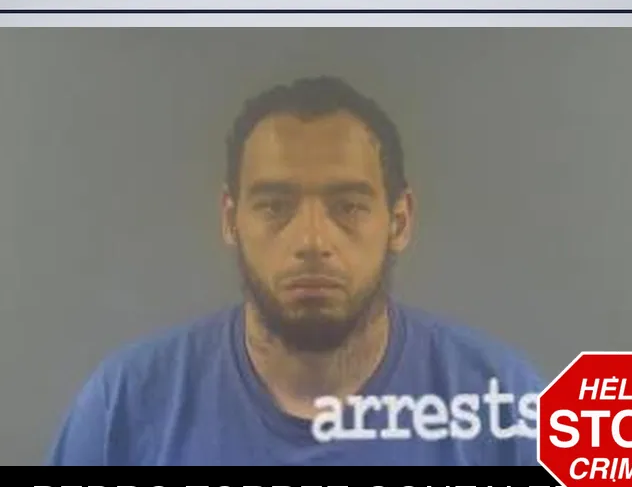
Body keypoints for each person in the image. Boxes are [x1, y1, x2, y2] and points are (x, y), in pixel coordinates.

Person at [47, 76, 546, 466]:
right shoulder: (124, 407)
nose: (311, 241)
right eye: (274, 206)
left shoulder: (511, 406)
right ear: (231, 220)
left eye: (348, 206)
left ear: (399, 221)